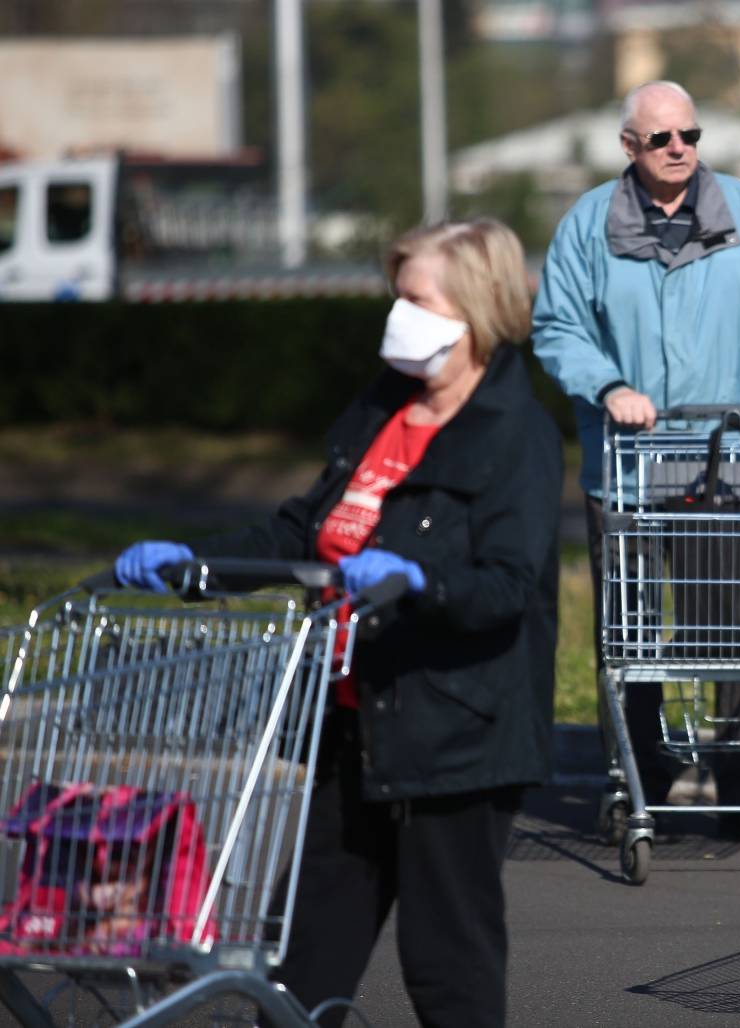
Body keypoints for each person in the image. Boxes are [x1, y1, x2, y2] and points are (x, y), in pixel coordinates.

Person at [113, 219, 561, 1027]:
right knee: (305, 963)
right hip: (355, 720)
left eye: (416, 297)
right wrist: (197, 565)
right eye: (398, 295)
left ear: (475, 310)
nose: (399, 313)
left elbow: (508, 586)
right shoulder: (381, 410)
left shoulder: (514, 436)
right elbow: (301, 533)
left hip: (456, 733)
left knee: (445, 962)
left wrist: (416, 582)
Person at [531, 80, 740, 838]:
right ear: (629, 148)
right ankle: (642, 780)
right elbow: (556, 328)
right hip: (628, 463)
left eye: (690, 134)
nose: (680, 148)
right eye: (661, 139)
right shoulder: (588, 224)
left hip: (729, 466)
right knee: (632, 635)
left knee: (739, 627)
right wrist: (607, 384)